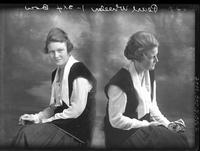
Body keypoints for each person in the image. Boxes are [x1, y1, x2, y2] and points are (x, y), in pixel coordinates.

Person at [12, 27, 96, 148]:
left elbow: (76, 111)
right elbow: (55, 107)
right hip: (61, 126)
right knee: (26, 131)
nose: (56, 55)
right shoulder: (55, 73)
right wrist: (36, 118)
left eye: (60, 50)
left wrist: (45, 122)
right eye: (52, 51)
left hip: (75, 134)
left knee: (27, 134)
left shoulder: (79, 71)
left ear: (68, 49)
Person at [103, 31, 189, 148]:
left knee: (179, 136)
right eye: (153, 56)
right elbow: (116, 120)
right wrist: (148, 125)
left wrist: (168, 125)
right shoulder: (119, 82)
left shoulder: (149, 72)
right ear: (139, 55)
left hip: (145, 128)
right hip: (124, 136)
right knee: (176, 142)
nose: (157, 60)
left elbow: (152, 107)